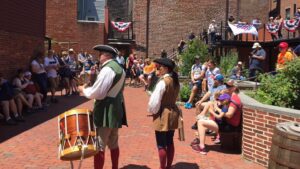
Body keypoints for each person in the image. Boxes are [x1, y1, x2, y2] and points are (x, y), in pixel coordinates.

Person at [78, 45, 127, 169]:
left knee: (99, 145)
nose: (99, 56)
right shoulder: (119, 68)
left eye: (100, 54)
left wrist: (84, 90)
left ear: (107, 55)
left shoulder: (108, 69)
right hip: (116, 109)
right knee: (114, 143)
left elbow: (99, 93)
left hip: (106, 110)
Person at [191, 80, 242, 154]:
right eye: (226, 86)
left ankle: (202, 147)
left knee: (201, 122)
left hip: (229, 126)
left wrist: (217, 109)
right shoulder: (231, 97)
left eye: (229, 86)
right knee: (205, 119)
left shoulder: (234, 100)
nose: (226, 87)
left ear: (234, 88)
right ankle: (200, 140)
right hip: (225, 123)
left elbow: (229, 115)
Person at [147, 57, 181, 169]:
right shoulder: (175, 81)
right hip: (173, 112)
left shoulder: (163, 82)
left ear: (166, 68)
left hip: (163, 113)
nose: (158, 69)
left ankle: (163, 167)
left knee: (161, 144)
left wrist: (152, 111)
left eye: (159, 67)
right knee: (170, 141)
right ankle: (169, 166)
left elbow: (154, 101)